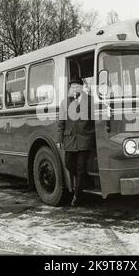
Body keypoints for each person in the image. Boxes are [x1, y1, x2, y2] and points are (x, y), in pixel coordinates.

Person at [57, 77, 95, 206]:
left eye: (77, 87)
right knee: (68, 164)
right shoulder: (65, 102)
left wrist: (91, 133)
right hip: (70, 140)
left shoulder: (91, 101)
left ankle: (77, 196)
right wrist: (59, 139)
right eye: (72, 87)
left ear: (82, 87)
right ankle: (86, 180)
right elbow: (61, 123)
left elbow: (95, 120)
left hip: (85, 139)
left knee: (80, 168)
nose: (75, 89)